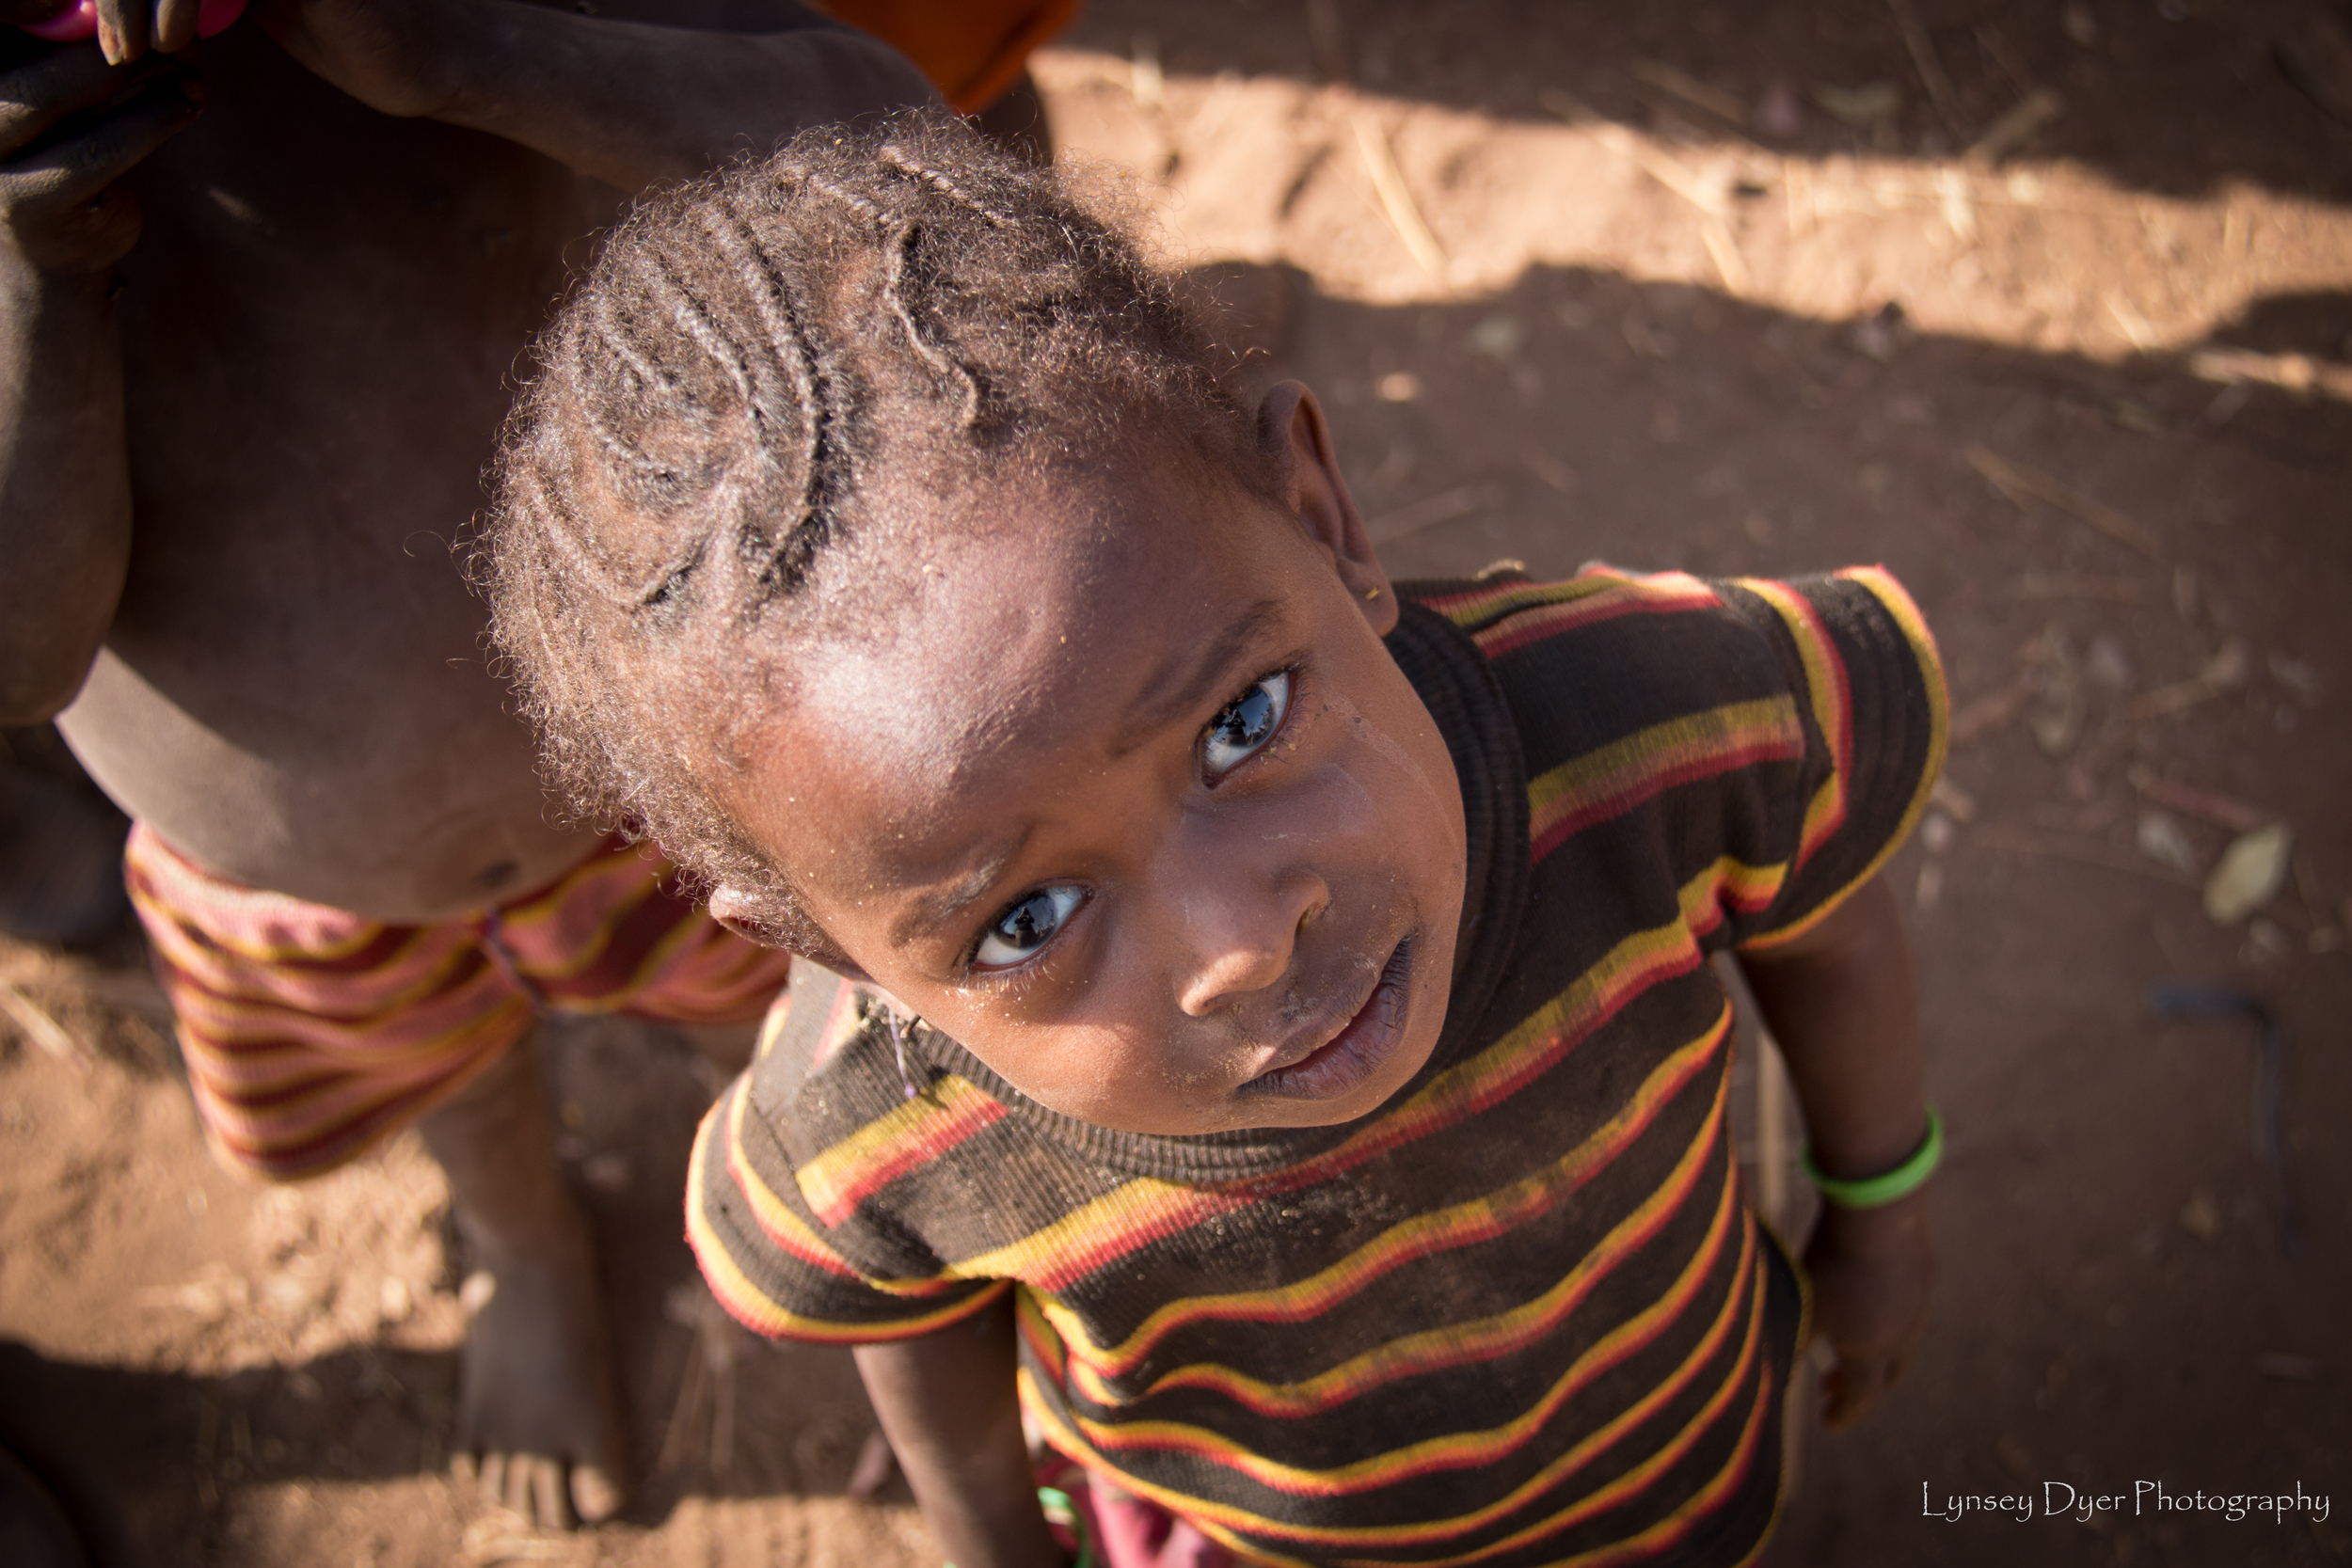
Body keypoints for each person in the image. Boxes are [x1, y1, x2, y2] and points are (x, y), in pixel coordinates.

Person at [474, 113, 1946, 1568]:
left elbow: (1825, 900)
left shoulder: (1659, 718)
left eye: (1243, 724)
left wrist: (1877, 1211)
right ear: (815, 946)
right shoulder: (878, 1121)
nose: (1242, 946)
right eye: (1026, 924)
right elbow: (901, 1314)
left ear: (1319, 511)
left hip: (1675, 1467)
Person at [0, 0, 1078, 1532]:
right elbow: (22, 669)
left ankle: (853, 1264)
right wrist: (34, 282)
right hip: (306, 891)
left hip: (690, 813)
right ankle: (524, 1240)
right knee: (450, 1074)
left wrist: (471, 54)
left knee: (801, 1053)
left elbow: (878, 122)